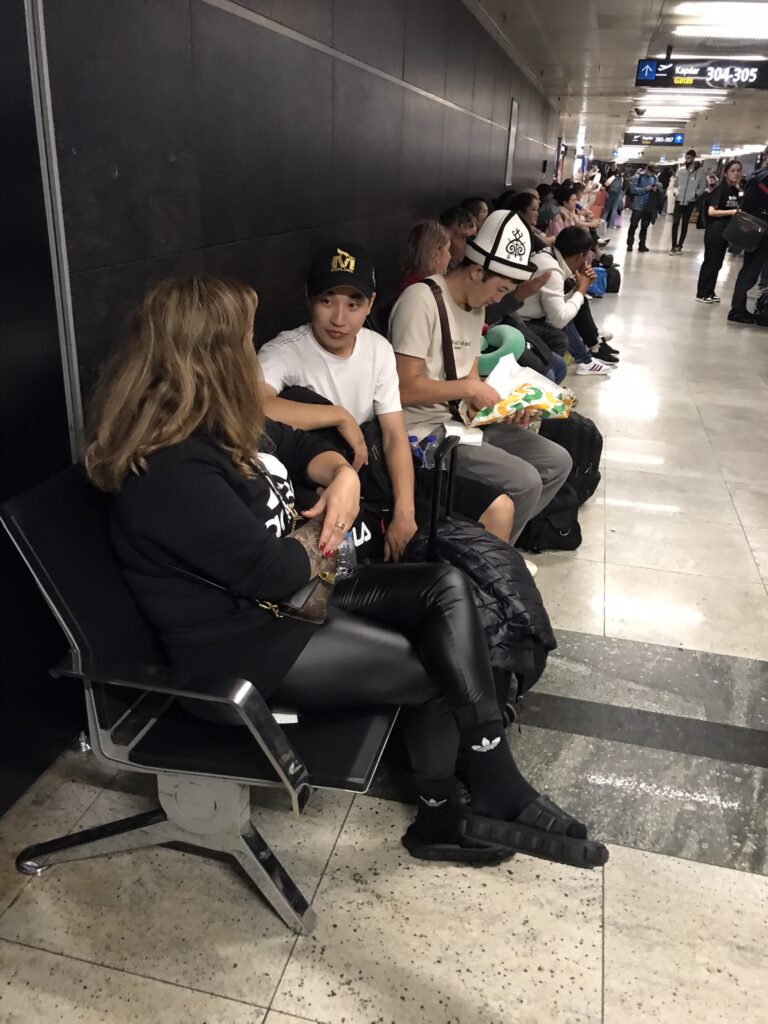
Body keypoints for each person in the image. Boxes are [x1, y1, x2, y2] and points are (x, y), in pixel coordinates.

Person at [84, 274, 607, 869]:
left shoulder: (215, 420)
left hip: (303, 595)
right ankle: (445, 811)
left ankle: (490, 778)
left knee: (444, 586)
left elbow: (300, 447)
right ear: (208, 357)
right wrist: (333, 523)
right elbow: (276, 571)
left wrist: (344, 478)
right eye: (239, 341)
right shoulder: (171, 468)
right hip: (251, 642)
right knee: (441, 661)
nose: (246, 353)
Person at [258, 242, 516, 549]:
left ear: (371, 304)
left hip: (379, 466)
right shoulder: (285, 351)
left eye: (353, 305)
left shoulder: (377, 347)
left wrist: (404, 512)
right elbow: (251, 405)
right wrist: (339, 417)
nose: (339, 319)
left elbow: (394, 435)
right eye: (327, 301)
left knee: (499, 508)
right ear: (308, 298)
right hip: (327, 477)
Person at [390, 210, 573, 545]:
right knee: (526, 480)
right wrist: (470, 387)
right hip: (423, 432)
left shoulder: (474, 309)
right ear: (476, 271)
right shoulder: (421, 300)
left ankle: (492, 548)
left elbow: (469, 387)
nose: (498, 300)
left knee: (557, 462)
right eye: (500, 289)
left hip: (462, 423)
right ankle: (493, 562)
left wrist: (501, 407)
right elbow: (402, 388)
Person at [515, 226, 617, 373]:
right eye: (588, 255)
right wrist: (581, 290)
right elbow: (558, 319)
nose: (589, 260)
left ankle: (589, 352)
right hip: (522, 320)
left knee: (577, 301)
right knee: (561, 331)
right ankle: (585, 359)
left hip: (529, 314)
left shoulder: (548, 254)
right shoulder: (552, 270)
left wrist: (579, 289)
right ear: (580, 256)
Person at [728, 147, 768, 325]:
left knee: (749, 270)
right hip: (761, 230)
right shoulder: (764, 178)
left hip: (755, 229)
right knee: (751, 271)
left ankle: (739, 308)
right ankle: (737, 310)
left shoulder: (755, 175)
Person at [695, 160, 742, 304]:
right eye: (733, 170)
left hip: (726, 230)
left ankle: (710, 290)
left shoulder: (734, 190)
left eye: (738, 170)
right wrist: (732, 212)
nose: (736, 173)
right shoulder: (719, 189)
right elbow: (711, 211)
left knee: (718, 262)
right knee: (711, 261)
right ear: (726, 173)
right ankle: (702, 293)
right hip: (715, 230)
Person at [398, 219, 452, 293]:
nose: (450, 256)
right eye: (448, 250)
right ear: (435, 254)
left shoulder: (413, 282)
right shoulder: (422, 289)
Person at [670, 150, 705, 254]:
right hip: (679, 200)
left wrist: (695, 194)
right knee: (675, 223)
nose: (687, 160)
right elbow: (675, 184)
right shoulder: (680, 170)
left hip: (690, 202)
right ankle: (673, 246)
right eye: (686, 158)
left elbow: (702, 186)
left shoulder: (700, 172)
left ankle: (680, 245)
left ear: (694, 158)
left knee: (685, 224)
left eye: (689, 158)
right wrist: (676, 192)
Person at [627, 164, 658, 252]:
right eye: (649, 171)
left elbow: (657, 189)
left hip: (648, 206)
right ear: (646, 169)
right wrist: (645, 189)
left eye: (652, 172)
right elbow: (633, 190)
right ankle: (630, 244)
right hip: (637, 205)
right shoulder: (637, 177)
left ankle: (642, 244)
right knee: (633, 225)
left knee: (645, 227)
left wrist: (655, 189)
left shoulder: (654, 178)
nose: (650, 173)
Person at [603, 163, 624, 229]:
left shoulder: (613, 176)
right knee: (614, 210)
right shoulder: (622, 178)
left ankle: (602, 224)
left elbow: (606, 184)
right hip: (618, 195)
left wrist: (609, 188)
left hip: (611, 194)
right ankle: (611, 225)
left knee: (607, 210)